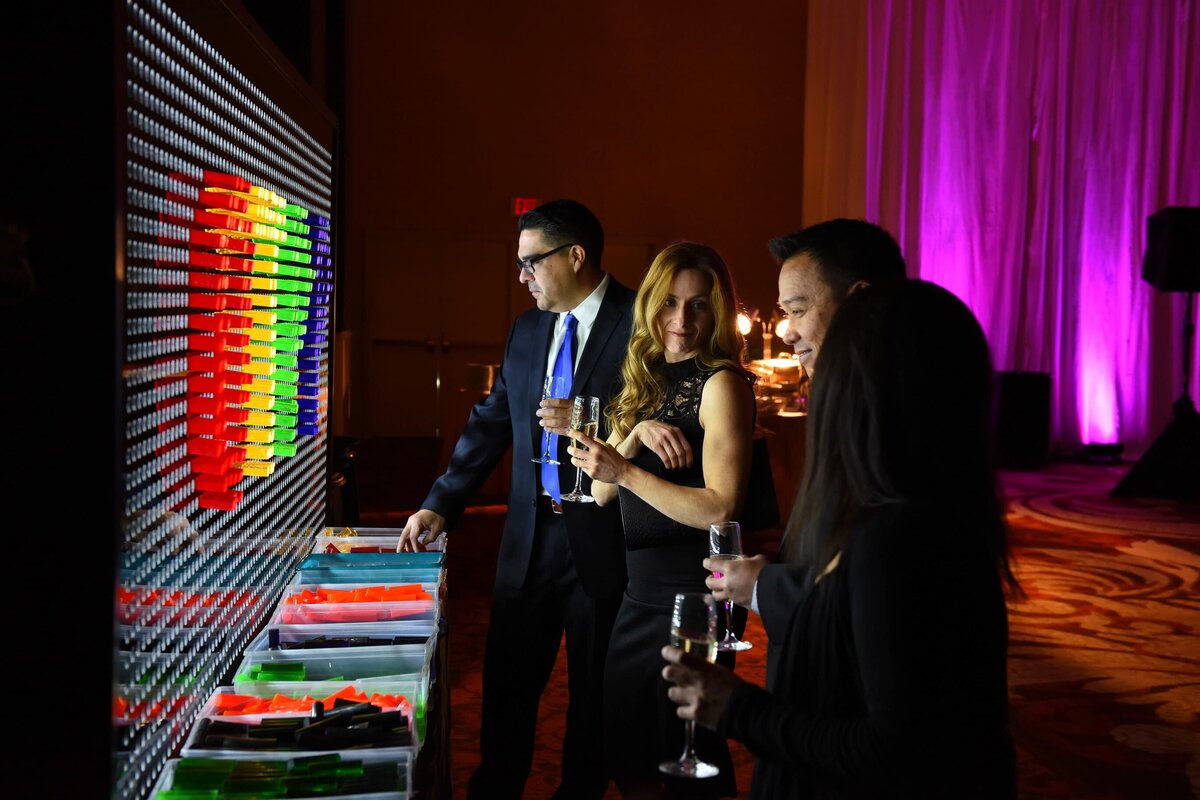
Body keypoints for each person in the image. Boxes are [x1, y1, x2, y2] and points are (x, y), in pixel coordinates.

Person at [662, 279, 1021, 798]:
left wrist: (737, 708)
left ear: (860, 391)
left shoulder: (894, 539)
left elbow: (896, 751)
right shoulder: (933, 509)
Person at [396, 199, 636, 800]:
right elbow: (490, 423)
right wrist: (439, 504)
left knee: (592, 698)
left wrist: (592, 419)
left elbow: (658, 414)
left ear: (575, 255)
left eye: (532, 261)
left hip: (605, 538)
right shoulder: (527, 329)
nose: (522, 275)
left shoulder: (642, 321)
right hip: (529, 538)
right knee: (505, 692)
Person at [567, 241, 757, 798]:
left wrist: (628, 470)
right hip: (639, 593)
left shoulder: (722, 383)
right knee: (629, 752)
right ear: (651, 303)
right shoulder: (647, 379)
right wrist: (634, 434)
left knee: (686, 759)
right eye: (670, 302)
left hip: (694, 597)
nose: (681, 320)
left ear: (718, 312)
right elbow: (601, 491)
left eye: (699, 305)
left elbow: (722, 507)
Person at [712, 219, 908, 686]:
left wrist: (765, 588)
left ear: (858, 300)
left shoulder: (895, 415)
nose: (786, 332)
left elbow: (886, 583)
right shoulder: (844, 398)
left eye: (798, 310)